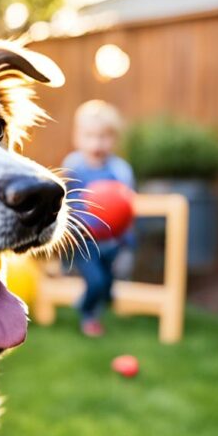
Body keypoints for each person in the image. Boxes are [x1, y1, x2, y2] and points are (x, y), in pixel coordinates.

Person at [62, 100, 135, 337]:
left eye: (104, 137)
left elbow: (128, 207)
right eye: (90, 136)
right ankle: (87, 313)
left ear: (114, 139)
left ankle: (95, 301)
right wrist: (66, 242)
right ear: (78, 137)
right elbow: (65, 203)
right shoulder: (73, 166)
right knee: (96, 281)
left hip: (111, 242)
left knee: (108, 285)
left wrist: (128, 245)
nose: (96, 143)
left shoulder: (119, 170)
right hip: (84, 240)